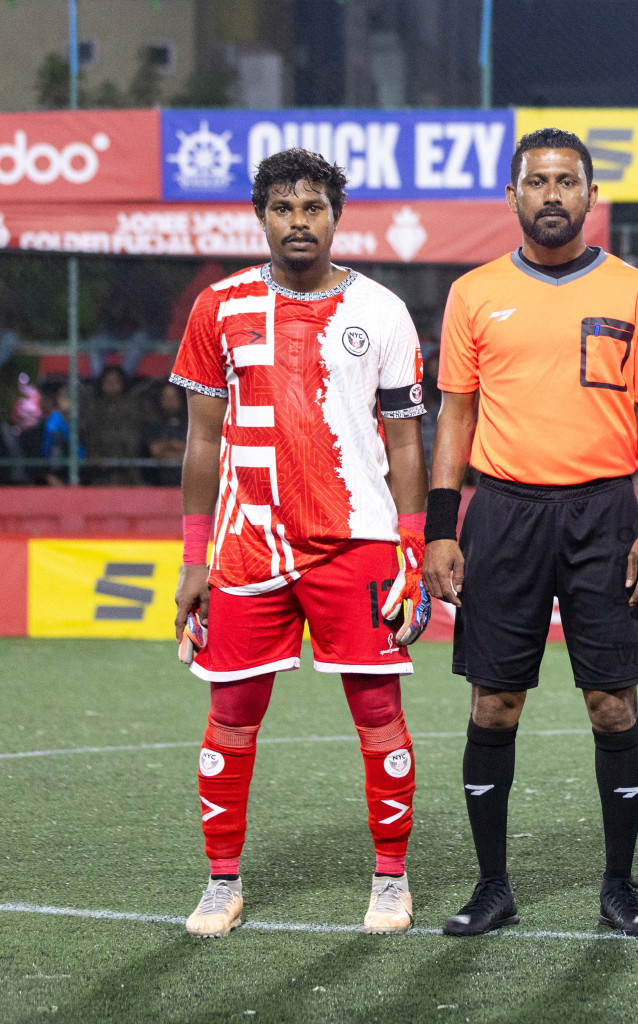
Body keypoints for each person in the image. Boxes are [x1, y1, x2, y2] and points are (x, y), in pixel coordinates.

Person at [170, 148, 431, 938]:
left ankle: (390, 877)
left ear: (335, 216)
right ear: (261, 217)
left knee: (378, 708)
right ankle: (222, 881)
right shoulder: (219, 305)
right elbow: (200, 440)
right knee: (233, 710)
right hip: (248, 542)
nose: (298, 222)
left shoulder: (382, 310)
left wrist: (412, 553)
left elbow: (410, 445)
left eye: (312, 207)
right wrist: (191, 557)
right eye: (283, 208)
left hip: (358, 542)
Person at [423, 128, 638, 938]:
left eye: (569, 181)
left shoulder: (636, 291)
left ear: (591, 197)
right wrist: (441, 526)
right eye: (538, 181)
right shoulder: (473, 293)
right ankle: (492, 887)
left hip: (605, 513)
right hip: (502, 513)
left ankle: (620, 888)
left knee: (612, 704)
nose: (554, 194)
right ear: (513, 197)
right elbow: (453, 414)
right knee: (495, 703)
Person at [81, 366, 144, 485]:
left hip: (128, 470)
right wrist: (94, 455)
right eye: (108, 382)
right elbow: (90, 435)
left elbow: (133, 437)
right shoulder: (95, 408)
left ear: (122, 383)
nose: (111, 385)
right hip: (100, 472)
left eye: (115, 382)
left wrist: (118, 459)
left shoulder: (132, 407)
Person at [143, 381, 188, 486]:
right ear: (160, 399)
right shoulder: (153, 424)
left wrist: (168, 445)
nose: (170, 401)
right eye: (166, 397)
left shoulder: (191, 423)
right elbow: (155, 452)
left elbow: (193, 453)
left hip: (187, 481)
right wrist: (179, 448)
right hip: (158, 482)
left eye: (173, 397)